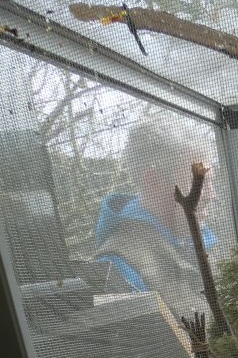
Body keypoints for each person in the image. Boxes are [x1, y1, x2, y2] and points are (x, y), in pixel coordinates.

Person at [92, 119, 217, 317]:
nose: (211, 195)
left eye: (211, 181)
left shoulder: (201, 245)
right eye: (199, 182)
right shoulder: (120, 270)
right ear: (154, 182)